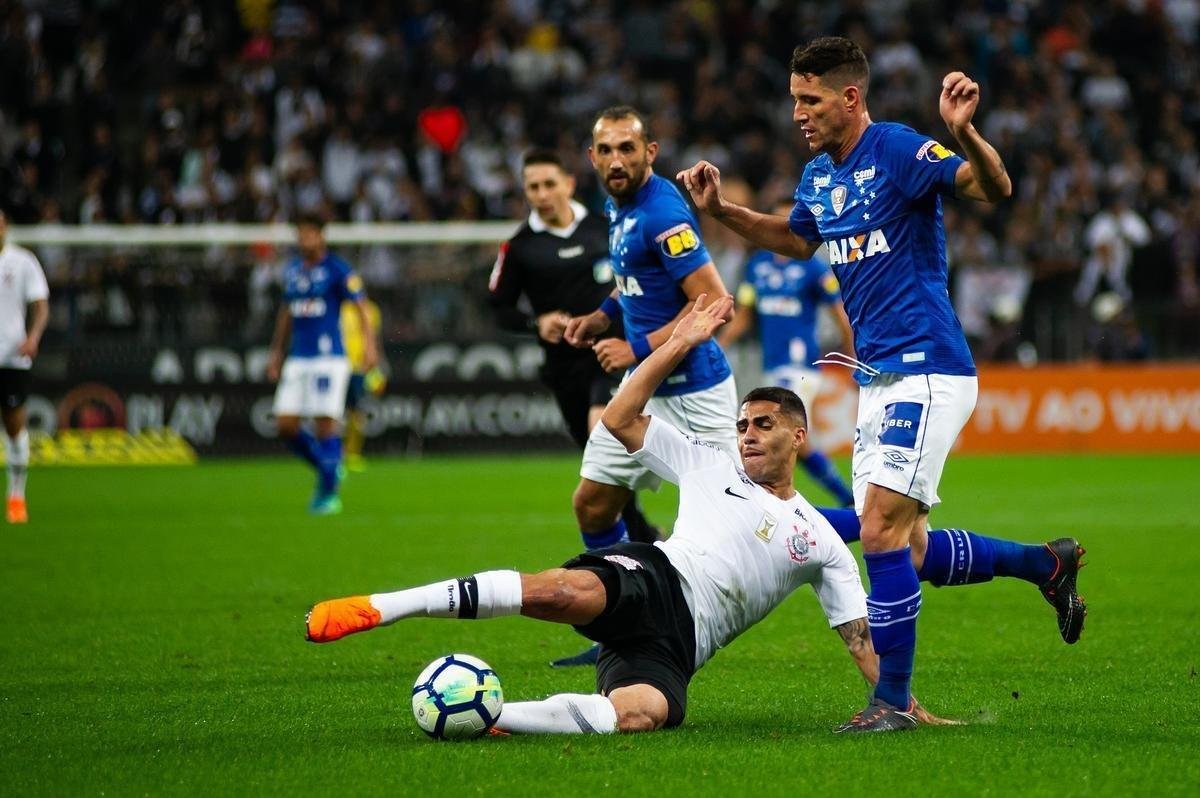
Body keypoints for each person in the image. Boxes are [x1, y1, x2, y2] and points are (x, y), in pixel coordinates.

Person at [305, 294, 952, 734]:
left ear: (798, 437)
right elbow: (619, 419)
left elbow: (860, 639)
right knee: (562, 592)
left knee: (642, 715)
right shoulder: (709, 462)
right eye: (743, 425)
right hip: (655, 576)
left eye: (764, 425)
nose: (748, 435)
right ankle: (383, 606)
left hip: (679, 646)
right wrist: (679, 341)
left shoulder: (822, 543)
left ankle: (489, 716)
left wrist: (903, 703)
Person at [678, 37, 1086, 732]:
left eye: (810, 100)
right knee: (910, 548)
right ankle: (1047, 565)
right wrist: (722, 213)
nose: (798, 113)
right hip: (878, 381)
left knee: (879, 530)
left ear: (850, 96)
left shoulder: (897, 150)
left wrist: (964, 134)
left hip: (928, 367)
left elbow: (993, 188)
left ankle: (892, 701)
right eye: (793, 100)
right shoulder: (816, 177)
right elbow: (793, 238)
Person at [556, 106, 738, 666]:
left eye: (627, 149)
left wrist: (634, 348)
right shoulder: (618, 208)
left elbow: (713, 301)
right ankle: (619, 620)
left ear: (650, 153)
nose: (616, 160)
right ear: (592, 158)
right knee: (593, 504)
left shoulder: (662, 212)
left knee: (746, 518)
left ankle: (866, 524)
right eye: (606, 150)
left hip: (696, 394)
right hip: (645, 389)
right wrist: (602, 314)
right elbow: (635, 283)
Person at [487, 148, 660, 552]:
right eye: (533, 187)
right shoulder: (519, 247)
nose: (542, 194)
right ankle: (643, 542)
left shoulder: (605, 227)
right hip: (564, 369)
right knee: (600, 471)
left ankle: (657, 535)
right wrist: (537, 323)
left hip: (614, 357)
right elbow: (499, 307)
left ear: (567, 183)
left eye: (549, 184)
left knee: (604, 429)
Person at [718, 198, 856, 507]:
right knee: (789, 438)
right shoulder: (757, 267)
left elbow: (839, 315)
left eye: (789, 222)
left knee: (781, 431)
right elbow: (745, 316)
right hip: (771, 366)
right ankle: (833, 498)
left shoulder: (812, 266)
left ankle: (828, 498)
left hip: (801, 367)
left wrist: (852, 360)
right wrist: (720, 343)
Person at [267, 215, 378, 514]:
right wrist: (276, 351)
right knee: (285, 425)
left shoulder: (337, 269)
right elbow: (286, 313)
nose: (304, 240)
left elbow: (361, 307)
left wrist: (370, 346)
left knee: (325, 426)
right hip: (298, 357)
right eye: (300, 235)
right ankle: (328, 467)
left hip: (329, 359)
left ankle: (328, 495)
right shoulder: (292, 272)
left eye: (309, 234)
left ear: (321, 236)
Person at [0, 210, 49, 524]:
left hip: (12, 358)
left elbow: (40, 305)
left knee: (14, 426)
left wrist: (33, 337)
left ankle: (16, 496)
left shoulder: (23, 261)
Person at [339, 295, 385, 473]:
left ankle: (352, 453)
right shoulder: (337, 307)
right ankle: (335, 453)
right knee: (334, 413)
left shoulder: (370, 309)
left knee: (357, 411)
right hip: (337, 366)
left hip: (359, 367)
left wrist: (377, 369)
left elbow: (374, 339)